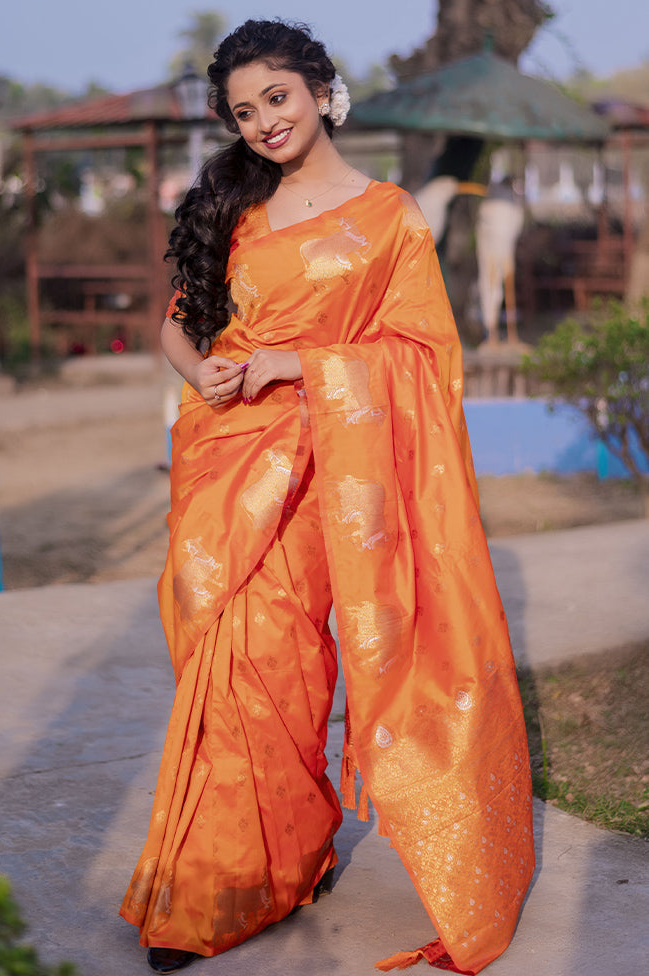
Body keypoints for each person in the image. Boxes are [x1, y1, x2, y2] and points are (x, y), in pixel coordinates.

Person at [120, 19, 534, 975]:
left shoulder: (390, 218)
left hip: (322, 473)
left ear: (319, 88)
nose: (264, 121)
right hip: (223, 458)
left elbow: (426, 360)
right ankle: (276, 859)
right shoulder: (234, 199)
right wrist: (205, 379)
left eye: (278, 97)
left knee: (276, 664)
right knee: (214, 654)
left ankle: (216, 890)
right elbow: (180, 326)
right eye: (243, 110)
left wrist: (293, 362)